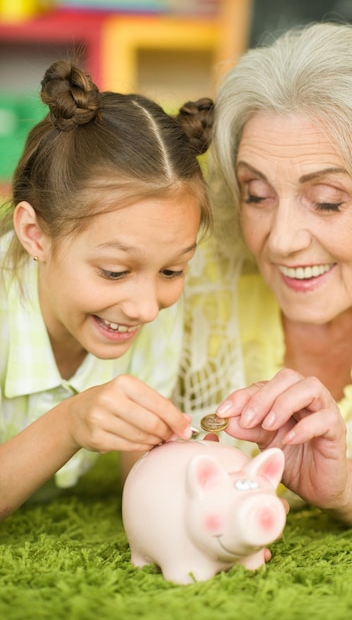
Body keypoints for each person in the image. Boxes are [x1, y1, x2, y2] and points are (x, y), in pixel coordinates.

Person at [175, 21, 352, 528]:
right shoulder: (184, 271)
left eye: (327, 201)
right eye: (256, 194)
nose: (281, 240)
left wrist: (349, 484)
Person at [0, 59, 214, 519]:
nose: (145, 308)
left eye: (172, 271)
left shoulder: (154, 306)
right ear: (35, 235)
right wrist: (68, 425)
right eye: (115, 272)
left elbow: (145, 473)